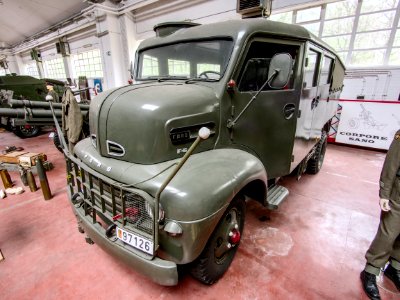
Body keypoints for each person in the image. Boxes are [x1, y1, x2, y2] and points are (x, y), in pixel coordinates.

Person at [361, 130, 400, 299]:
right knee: (388, 233)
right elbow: (391, 164)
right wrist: (385, 193)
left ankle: (395, 267)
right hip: (398, 195)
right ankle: (371, 270)